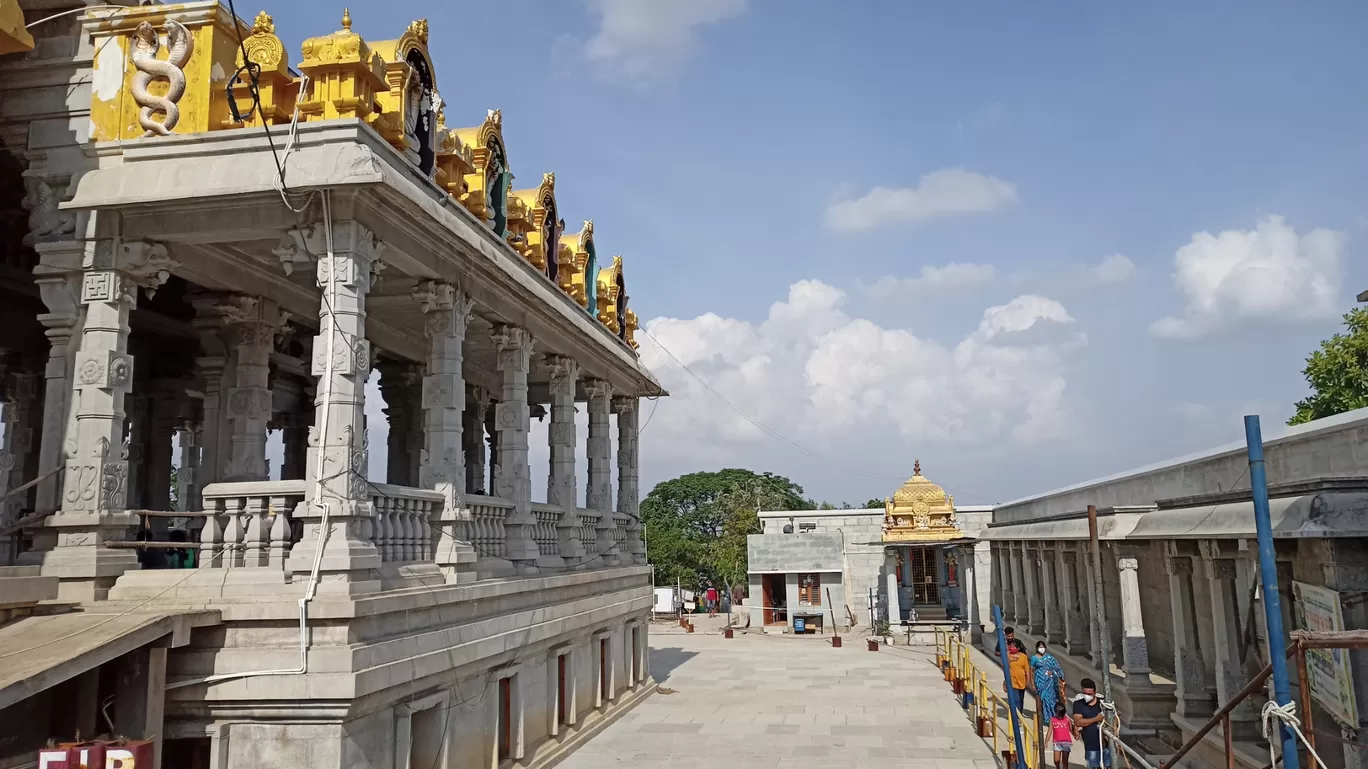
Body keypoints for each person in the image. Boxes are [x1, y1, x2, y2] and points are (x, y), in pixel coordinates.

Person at [1072, 677, 1111, 769]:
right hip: (1091, 745)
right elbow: (1078, 721)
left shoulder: (1103, 703)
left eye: (1090, 694)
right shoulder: (1078, 704)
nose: (1087, 696)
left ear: (1095, 692)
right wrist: (1096, 719)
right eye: (1085, 693)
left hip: (1106, 745)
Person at [1031, 641, 1067, 724]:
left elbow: (1057, 668)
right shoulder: (1034, 658)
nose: (1041, 649)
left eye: (1043, 647)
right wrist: (1032, 683)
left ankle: (1054, 716)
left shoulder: (1050, 658)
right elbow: (1031, 671)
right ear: (1037, 648)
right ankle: (1047, 718)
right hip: (1040, 682)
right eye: (1040, 647)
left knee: (1052, 699)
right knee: (1044, 699)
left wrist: (1053, 672)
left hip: (1050, 683)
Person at [1004, 640, 1030, 714]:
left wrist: (1028, 681)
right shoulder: (1008, 655)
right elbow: (1004, 666)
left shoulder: (1023, 657)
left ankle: (1019, 714)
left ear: (1018, 648)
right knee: (1016, 700)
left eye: (1013, 646)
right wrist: (1010, 660)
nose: (1011, 648)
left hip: (1022, 682)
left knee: (1021, 700)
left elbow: (1027, 670)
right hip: (1012, 681)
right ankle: (1016, 716)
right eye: (1011, 646)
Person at [1050, 703, 1075, 769]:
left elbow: (1071, 729)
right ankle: (1057, 767)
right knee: (1056, 760)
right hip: (1056, 742)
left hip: (1066, 742)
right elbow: (1050, 730)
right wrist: (1046, 741)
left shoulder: (1067, 719)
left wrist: (1076, 734)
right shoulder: (1052, 719)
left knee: (1065, 761)